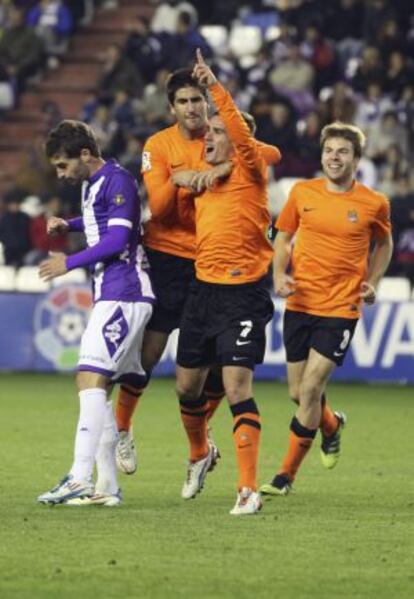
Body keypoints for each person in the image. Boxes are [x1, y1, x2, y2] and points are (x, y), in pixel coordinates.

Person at [114, 66, 281, 477]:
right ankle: (122, 428)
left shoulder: (225, 141)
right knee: (150, 353)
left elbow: (269, 153)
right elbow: (163, 207)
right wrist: (190, 178)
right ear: (171, 108)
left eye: (197, 101)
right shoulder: (160, 145)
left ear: (207, 105)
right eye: (184, 102)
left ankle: (200, 440)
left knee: (213, 369)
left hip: (214, 268)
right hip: (169, 257)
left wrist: (222, 169)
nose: (192, 109)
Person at [260, 121, 393, 497]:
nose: (335, 158)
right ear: (322, 155)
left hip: (341, 306)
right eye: (329, 151)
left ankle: (284, 477)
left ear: (357, 158)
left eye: (343, 152)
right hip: (300, 301)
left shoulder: (373, 202)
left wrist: (374, 281)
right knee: (298, 393)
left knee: (312, 387)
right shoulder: (302, 192)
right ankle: (331, 425)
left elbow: (383, 243)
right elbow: (282, 236)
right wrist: (280, 274)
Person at [174, 50, 276, 516]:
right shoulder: (206, 175)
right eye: (207, 132)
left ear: (238, 142)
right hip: (202, 289)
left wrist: (214, 85)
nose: (208, 136)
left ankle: (248, 489)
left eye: (216, 132)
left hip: (243, 293)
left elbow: (243, 134)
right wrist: (201, 172)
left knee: (237, 388)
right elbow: (175, 173)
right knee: (187, 389)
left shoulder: (252, 168)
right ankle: (200, 453)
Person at [36, 120, 155, 506]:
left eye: (62, 165)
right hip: (113, 292)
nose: (61, 174)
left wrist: (68, 261)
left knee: (89, 377)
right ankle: (107, 488)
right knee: (98, 386)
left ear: (84, 154)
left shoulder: (118, 181)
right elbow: (97, 221)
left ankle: (79, 477)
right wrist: (67, 225)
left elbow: (119, 239)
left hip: (125, 293)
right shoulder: (93, 184)